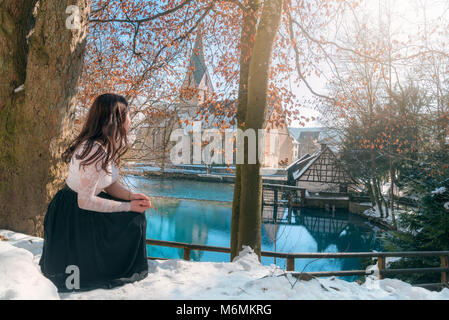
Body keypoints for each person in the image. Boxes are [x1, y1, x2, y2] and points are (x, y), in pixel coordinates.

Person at [39, 93, 152, 292]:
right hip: (73, 214)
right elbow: (85, 200)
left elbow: (108, 184)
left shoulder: (107, 144)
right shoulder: (94, 150)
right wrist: (127, 207)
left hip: (83, 207)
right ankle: (108, 270)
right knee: (133, 219)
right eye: (127, 115)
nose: (130, 119)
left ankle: (112, 266)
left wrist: (131, 197)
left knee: (137, 215)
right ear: (115, 119)